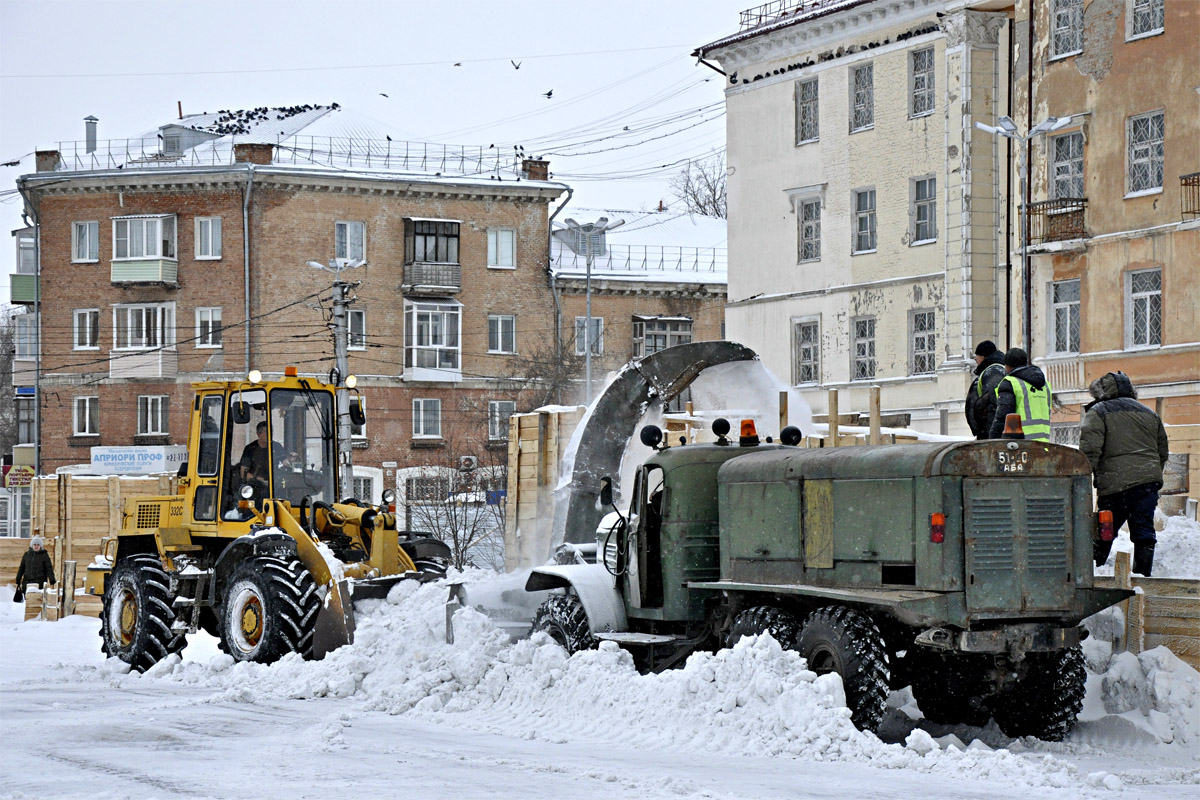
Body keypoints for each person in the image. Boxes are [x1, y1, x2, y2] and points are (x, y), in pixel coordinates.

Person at [1081, 372, 1169, 577]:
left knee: (1105, 530)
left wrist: (1083, 477)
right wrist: (1150, 475)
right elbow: (1162, 452)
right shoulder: (1149, 413)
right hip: (1147, 484)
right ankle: (1143, 575)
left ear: (1101, 392)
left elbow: (1089, 451)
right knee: (1143, 530)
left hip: (1114, 484)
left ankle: (1094, 573)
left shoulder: (1099, 412)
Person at [988, 347, 1052, 441]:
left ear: (1008, 366)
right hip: (1043, 443)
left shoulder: (1010, 383)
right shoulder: (1045, 385)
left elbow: (1003, 417)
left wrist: (993, 441)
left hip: (1021, 445)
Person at [965, 340, 1006, 440]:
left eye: (977, 356)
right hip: (992, 430)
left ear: (983, 357)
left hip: (989, 432)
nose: (975, 359)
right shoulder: (999, 370)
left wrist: (984, 431)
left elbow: (988, 405)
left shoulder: (992, 373)